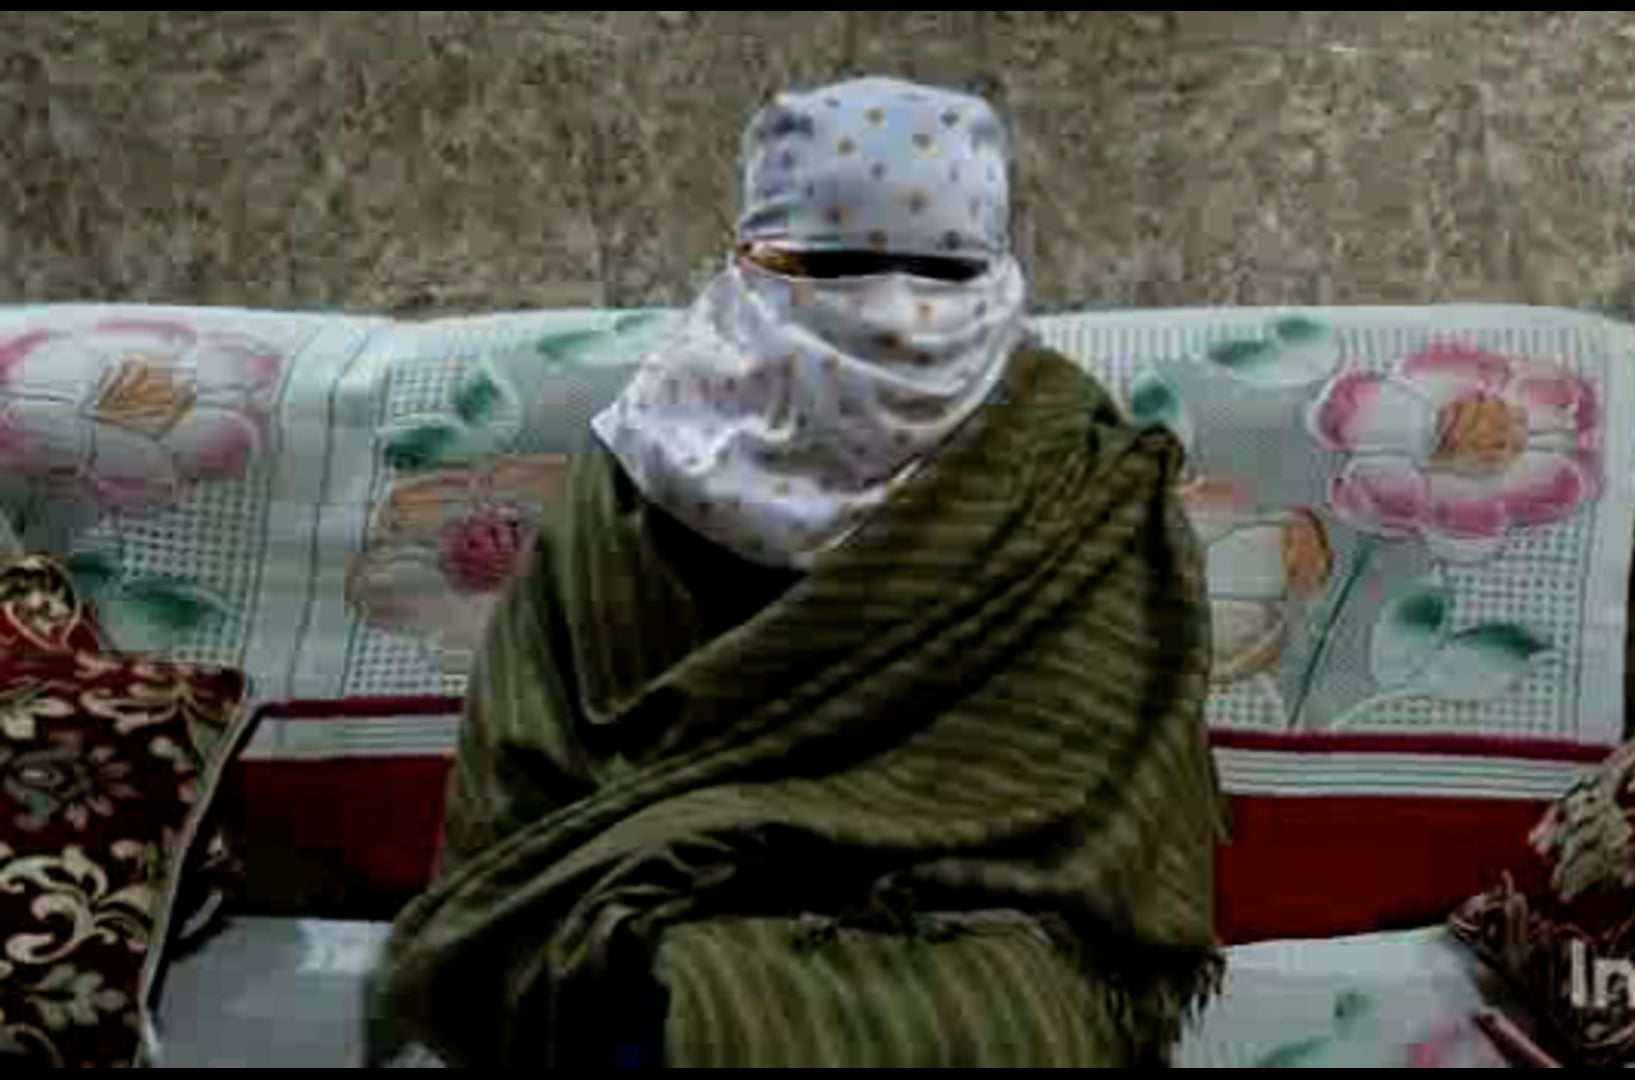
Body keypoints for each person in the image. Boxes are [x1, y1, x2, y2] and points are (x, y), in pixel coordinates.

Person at [373, 75, 1222, 1068]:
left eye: (936, 273)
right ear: (754, 264)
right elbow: (529, 758)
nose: (891, 317)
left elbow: (1100, 789)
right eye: (836, 270)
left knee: (1001, 1019)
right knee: (641, 1001)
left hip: (993, 919)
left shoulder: (1072, 465)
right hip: (652, 914)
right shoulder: (639, 469)